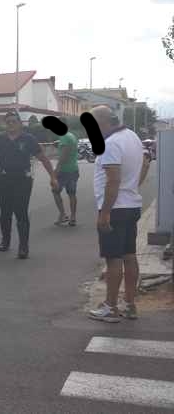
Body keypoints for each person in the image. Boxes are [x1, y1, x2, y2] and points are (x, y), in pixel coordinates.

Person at [88, 105, 152, 323]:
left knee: (113, 259)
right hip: (130, 205)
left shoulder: (111, 144)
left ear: (102, 123)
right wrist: (133, 186)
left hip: (115, 209)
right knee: (129, 255)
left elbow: (113, 180)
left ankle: (110, 307)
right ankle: (130, 304)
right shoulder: (132, 136)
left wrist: (105, 213)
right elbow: (145, 162)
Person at [0, 111, 59, 259]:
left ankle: (23, 247)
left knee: (21, 212)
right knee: (5, 213)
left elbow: (43, 158)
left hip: (22, 181)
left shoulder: (29, 139)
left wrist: (53, 177)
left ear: (19, 123)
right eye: (8, 121)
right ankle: (5, 241)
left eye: (14, 121)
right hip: (4, 180)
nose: (11, 124)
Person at [52, 123, 79, 226]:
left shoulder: (64, 137)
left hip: (64, 171)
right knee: (72, 193)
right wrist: (58, 144)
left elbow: (63, 156)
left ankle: (63, 214)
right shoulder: (71, 136)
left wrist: (55, 171)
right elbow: (68, 147)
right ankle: (73, 217)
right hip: (74, 168)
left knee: (55, 191)